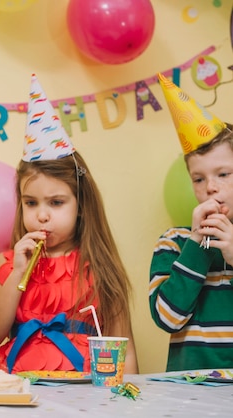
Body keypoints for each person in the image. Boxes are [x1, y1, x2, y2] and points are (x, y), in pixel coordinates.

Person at [0, 74, 138, 374]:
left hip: (85, 391)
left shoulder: (98, 264)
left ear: (81, 205)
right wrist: (18, 275)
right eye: (31, 202)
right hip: (19, 388)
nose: (42, 215)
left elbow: (123, 351)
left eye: (56, 202)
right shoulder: (7, 263)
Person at [149, 73, 233, 371]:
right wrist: (197, 244)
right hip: (189, 391)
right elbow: (168, 319)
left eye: (224, 174)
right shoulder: (172, 243)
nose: (211, 187)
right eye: (199, 178)